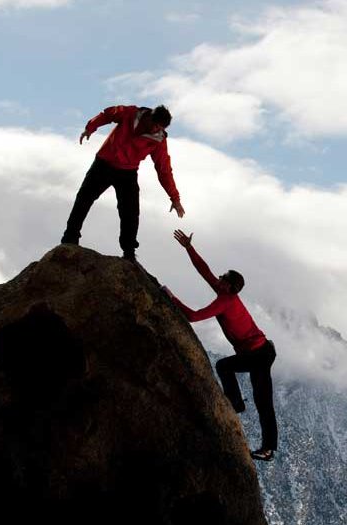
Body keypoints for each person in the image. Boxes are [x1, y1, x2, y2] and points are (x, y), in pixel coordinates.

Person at [162, 229, 278, 462]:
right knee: (262, 400)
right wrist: (189, 248)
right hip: (261, 351)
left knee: (225, 367)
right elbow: (204, 270)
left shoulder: (225, 301)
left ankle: (236, 405)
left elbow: (193, 317)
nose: (219, 277)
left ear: (229, 286)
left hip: (259, 354)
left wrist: (171, 297)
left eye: (223, 277)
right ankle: (266, 446)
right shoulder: (225, 292)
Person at [61, 104, 185, 261]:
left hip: (128, 173)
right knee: (84, 198)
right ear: (149, 118)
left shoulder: (158, 140)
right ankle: (70, 237)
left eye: (159, 128)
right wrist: (90, 128)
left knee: (130, 213)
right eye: (154, 125)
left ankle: (129, 252)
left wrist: (174, 198)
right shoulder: (130, 113)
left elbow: (164, 169)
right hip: (104, 163)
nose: (155, 130)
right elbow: (107, 114)